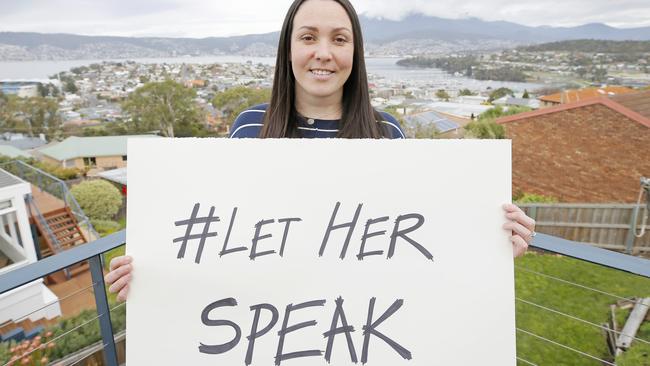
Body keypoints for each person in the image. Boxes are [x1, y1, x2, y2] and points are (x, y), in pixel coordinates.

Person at [105, 0, 536, 302]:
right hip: (265, 324)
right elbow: (222, 238)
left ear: (355, 52)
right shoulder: (248, 127)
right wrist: (152, 273)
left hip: (361, 325)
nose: (323, 53)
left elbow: (410, 242)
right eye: (308, 37)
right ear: (288, 49)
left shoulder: (387, 132)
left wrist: (489, 245)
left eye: (340, 39)